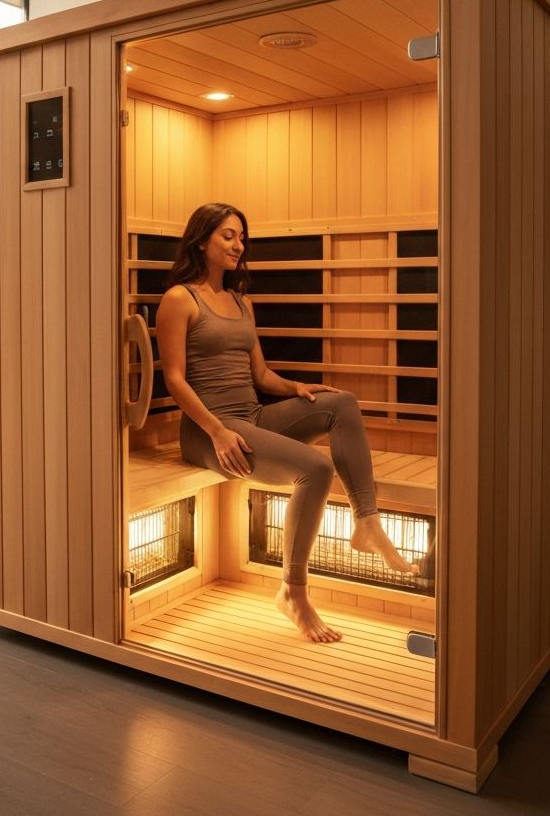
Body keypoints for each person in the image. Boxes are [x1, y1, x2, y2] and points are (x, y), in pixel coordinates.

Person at [155, 202, 416, 644]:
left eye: (241, 236)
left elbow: (259, 376)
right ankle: (293, 591)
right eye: (228, 235)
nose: (238, 244)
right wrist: (218, 430)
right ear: (201, 240)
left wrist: (296, 387)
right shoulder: (180, 299)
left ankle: (366, 521)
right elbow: (174, 379)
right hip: (208, 431)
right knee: (314, 468)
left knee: (342, 403)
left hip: (251, 417)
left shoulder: (242, 302)